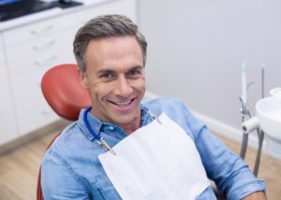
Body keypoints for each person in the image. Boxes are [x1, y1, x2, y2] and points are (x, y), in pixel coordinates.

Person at [41, 15, 266, 200]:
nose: (124, 90)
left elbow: (235, 173)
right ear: (83, 78)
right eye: (107, 75)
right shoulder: (64, 164)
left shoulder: (174, 112)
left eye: (133, 72)